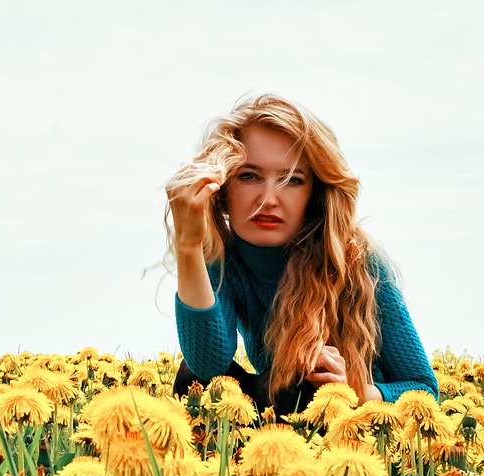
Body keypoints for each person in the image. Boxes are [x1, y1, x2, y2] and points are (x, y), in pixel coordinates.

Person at [166, 93, 438, 413]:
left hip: (355, 424)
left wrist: (356, 388)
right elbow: (207, 365)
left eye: (292, 180)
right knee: (192, 380)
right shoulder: (223, 258)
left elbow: (424, 389)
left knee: (298, 385)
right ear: (223, 189)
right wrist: (188, 246)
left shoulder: (358, 260)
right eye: (249, 176)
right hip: (274, 406)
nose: (269, 199)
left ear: (315, 194)